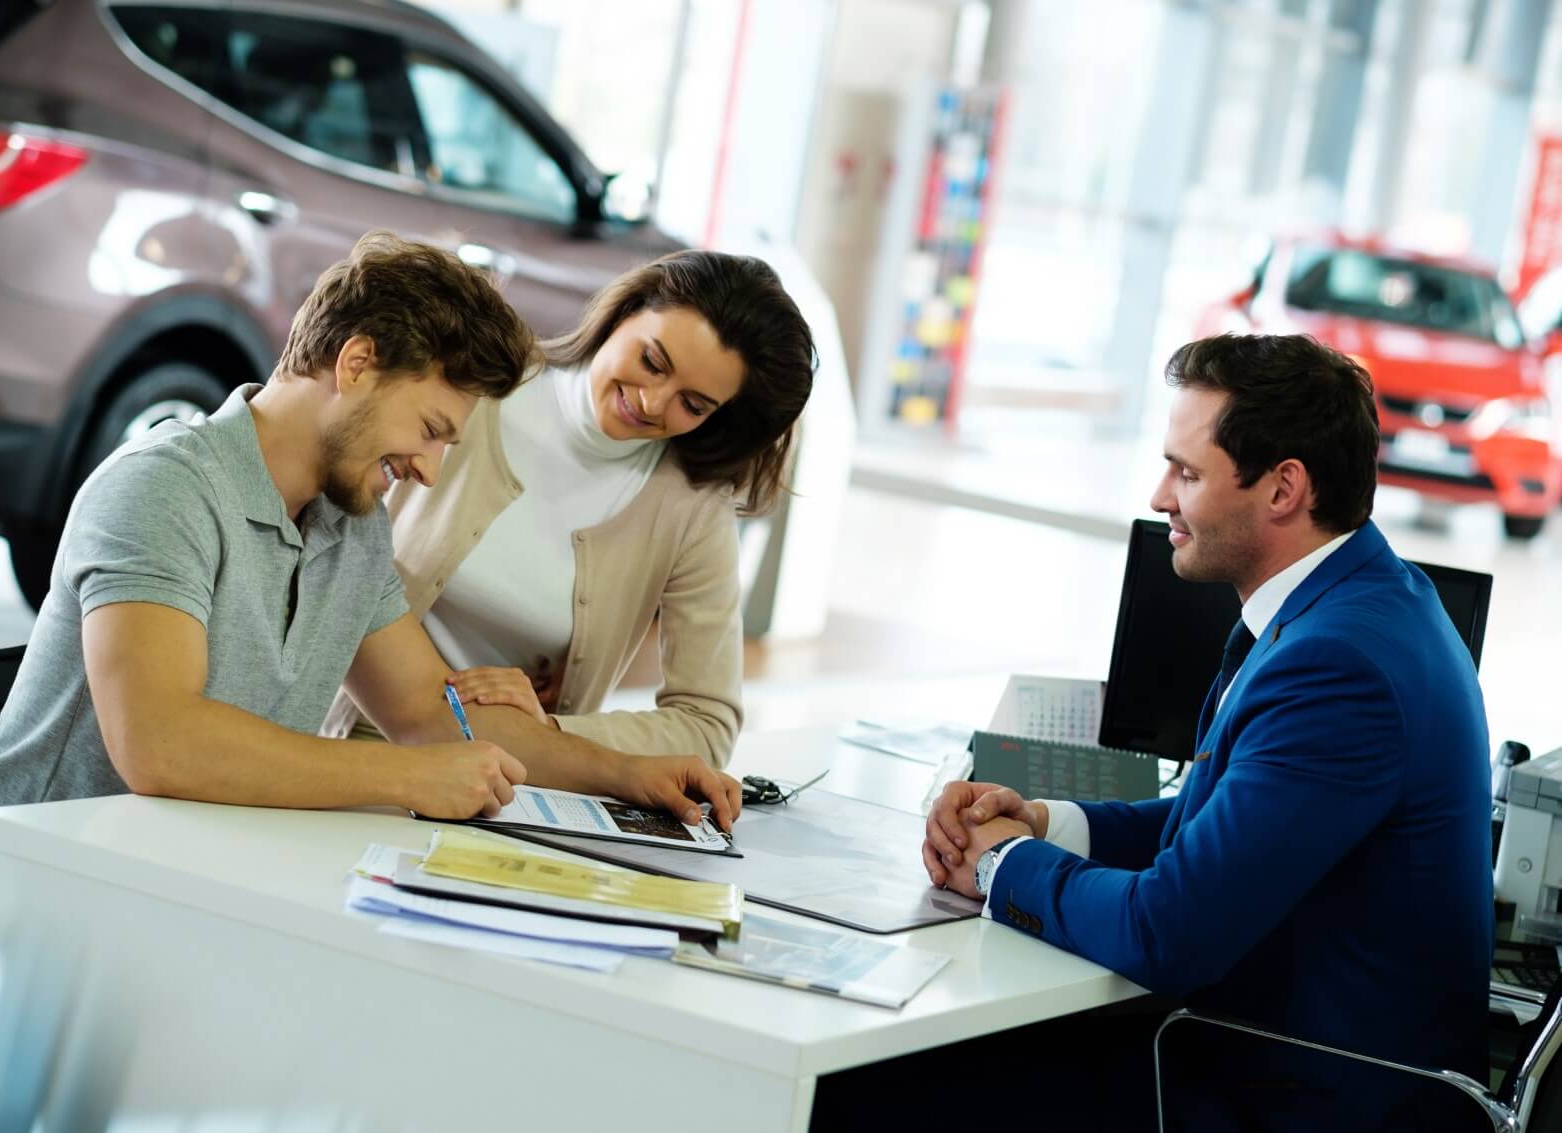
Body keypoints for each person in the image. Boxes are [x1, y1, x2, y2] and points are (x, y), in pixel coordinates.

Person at [0, 232, 741, 843]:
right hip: (28, 890)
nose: (429, 471)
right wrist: (409, 777)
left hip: (177, 891)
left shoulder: (350, 527)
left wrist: (631, 775)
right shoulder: (164, 487)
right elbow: (160, 743)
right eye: (432, 430)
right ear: (357, 363)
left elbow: (436, 716)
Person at [920, 334, 1492, 1129]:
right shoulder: (1366, 600)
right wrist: (1048, 822)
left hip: (1298, 1095)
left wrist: (1002, 866)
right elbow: (1214, 819)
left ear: (1284, 487)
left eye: (1186, 472)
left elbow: (1167, 932)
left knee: (903, 1086)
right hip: (1274, 1060)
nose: (1160, 496)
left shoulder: (1341, 664)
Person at [323, 250, 815, 769]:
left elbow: (706, 726)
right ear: (623, 313)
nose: (652, 403)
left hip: (514, 778)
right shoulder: (476, 385)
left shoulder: (691, 508)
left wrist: (554, 729)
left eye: (692, 405)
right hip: (350, 740)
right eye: (651, 362)